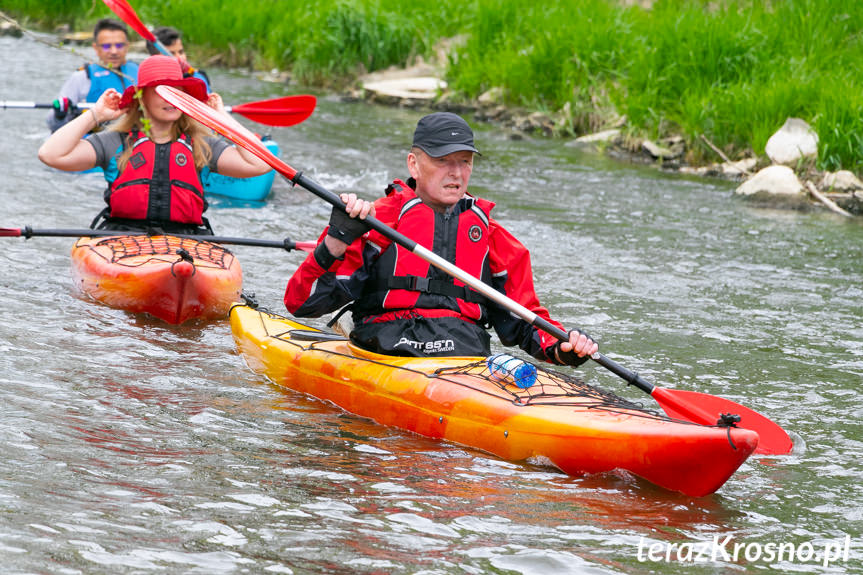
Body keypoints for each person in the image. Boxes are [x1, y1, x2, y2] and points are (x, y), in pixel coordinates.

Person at [284, 112, 598, 366]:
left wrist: (563, 346)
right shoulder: (375, 223)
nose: (456, 172)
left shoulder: (493, 238)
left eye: (464, 161)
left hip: (465, 356)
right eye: (442, 160)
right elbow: (302, 303)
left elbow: (526, 321)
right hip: (387, 352)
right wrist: (336, 241)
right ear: (413, 164)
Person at [38, 54, 270, 235]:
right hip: (122, 239)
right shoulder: (115, 141)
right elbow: (50, 154)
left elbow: (260, 164)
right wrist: (95, 115)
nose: (171, 99)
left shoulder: (202, 144)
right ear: (141, 97)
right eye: (162, 91)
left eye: (177, 92)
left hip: (188, 242)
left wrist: (223, 120)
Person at [48, 18, 139, 132]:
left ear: (127, 46)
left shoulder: (141, 72)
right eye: (107, 46)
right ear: (96, 48)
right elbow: (53, 125)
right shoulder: (82, 77)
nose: (114, 51)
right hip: (97, 141)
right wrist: (59, 115)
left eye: (119, 45)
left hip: (137, 138)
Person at [146, 26, 211, 92]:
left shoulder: (198, 77)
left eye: (181, 52)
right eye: (171, 53)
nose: (180, 58)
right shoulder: (148, 86)